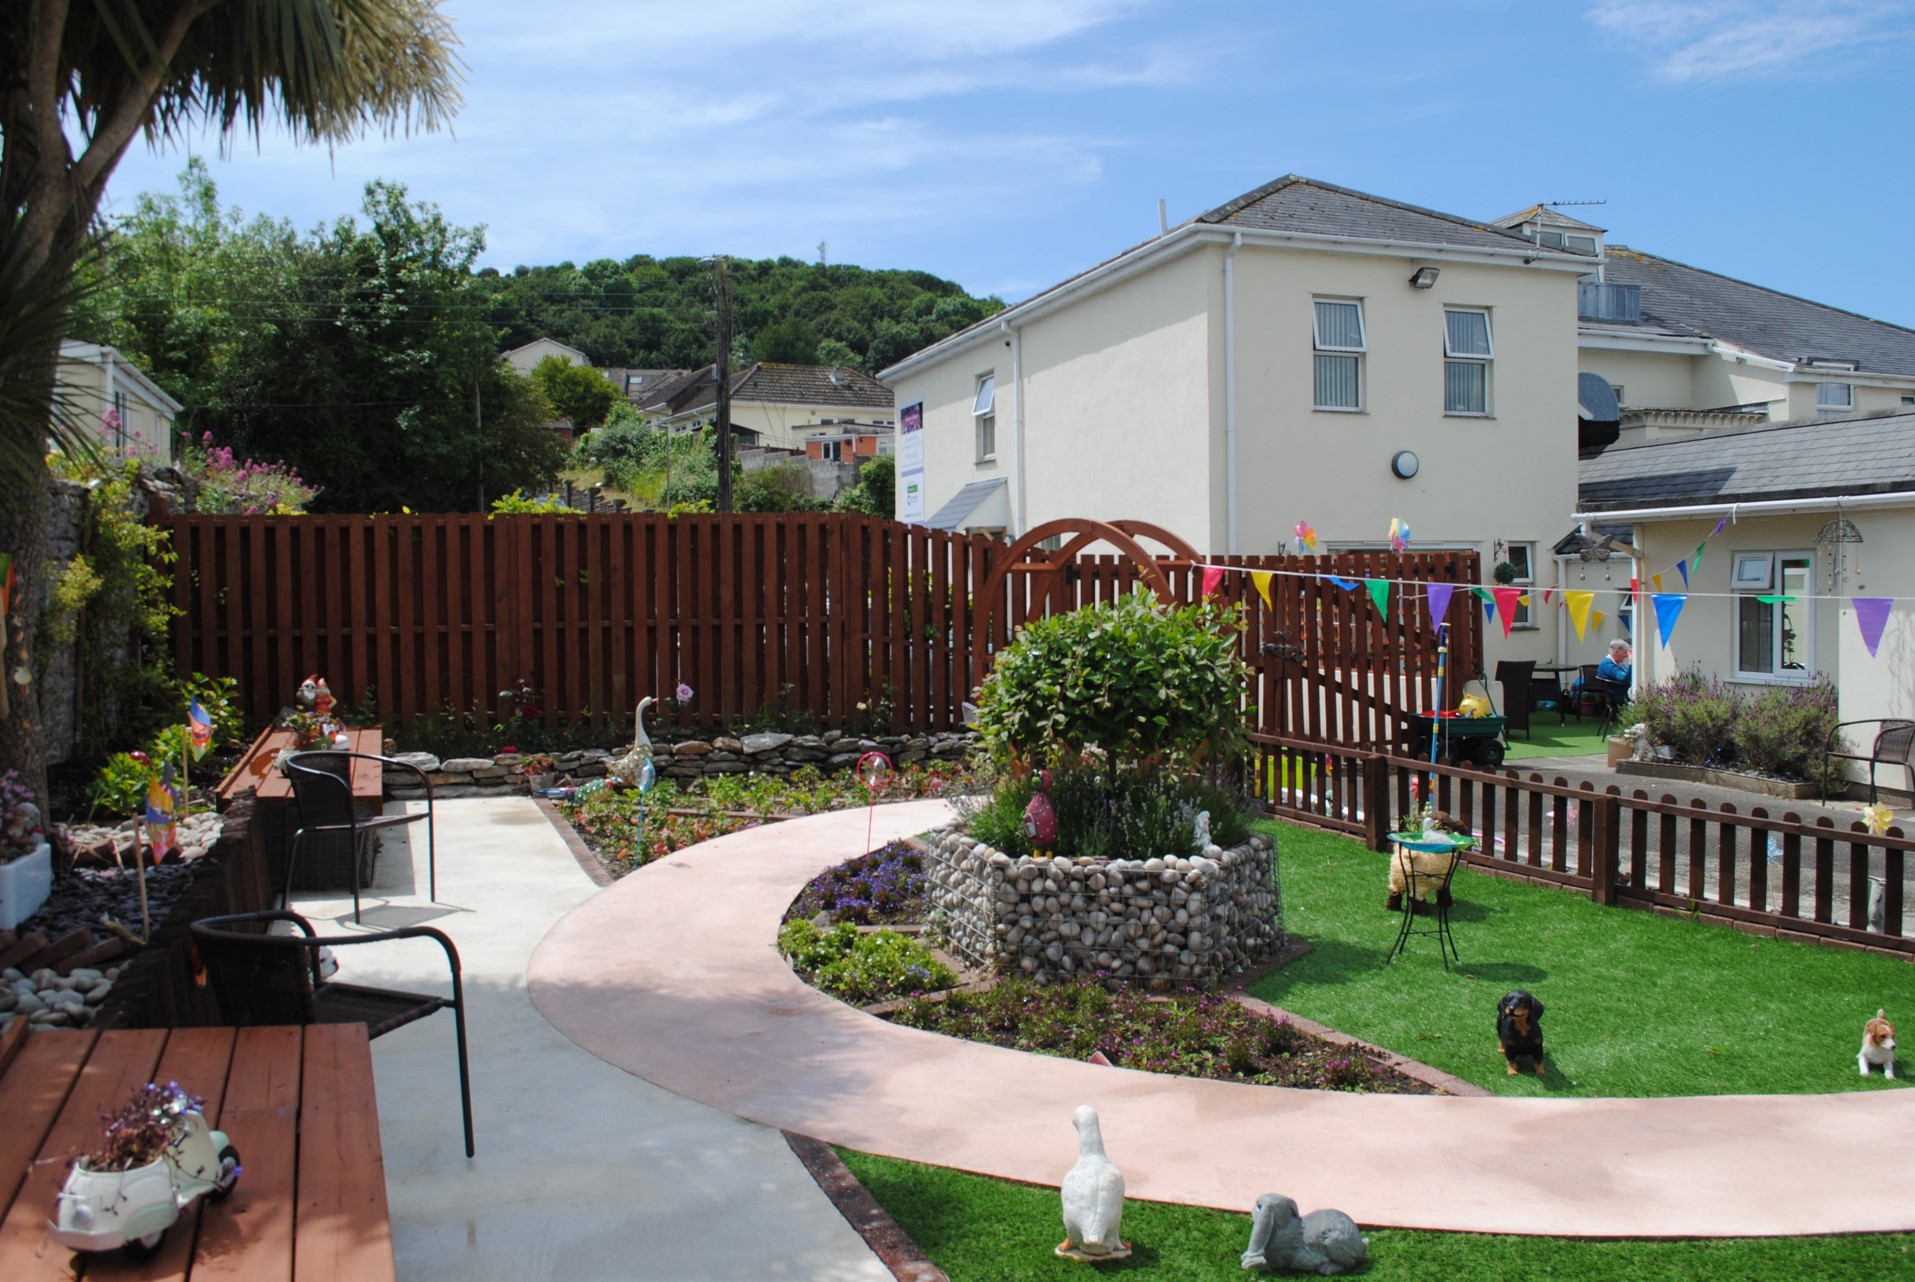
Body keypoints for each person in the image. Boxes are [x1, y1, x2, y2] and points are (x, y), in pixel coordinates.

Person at [1597, 639, 1632, 704]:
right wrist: (1630, 663)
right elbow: (1624, 679)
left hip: (1621, 692)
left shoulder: (1617, 663)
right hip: (1618, 696)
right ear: (1616, 651)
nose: (1626, 655)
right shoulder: (1607, 664)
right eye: (1625, 652)